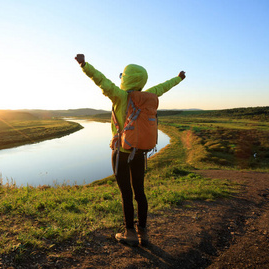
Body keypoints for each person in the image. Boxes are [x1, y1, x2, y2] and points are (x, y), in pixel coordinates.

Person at [74, 54, 186, 246]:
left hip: (121, 153)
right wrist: (179, 78)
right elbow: (164, 87)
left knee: (126, 193)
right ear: (142, 80)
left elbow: (101, 80)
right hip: (140, 152)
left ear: (125, 79)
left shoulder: (118, 96)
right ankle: (144, 233)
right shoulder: (149, 96)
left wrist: (84, 65)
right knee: (140, 192)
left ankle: (130, 233)